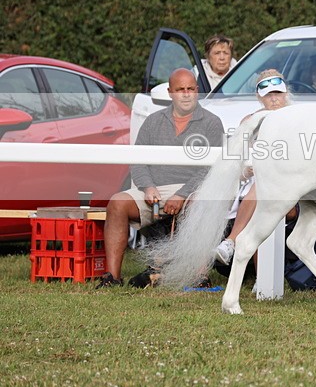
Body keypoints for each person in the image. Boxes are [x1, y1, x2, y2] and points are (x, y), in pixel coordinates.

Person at [96, 69, 224, 287]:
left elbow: (209, 169)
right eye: (180, 89)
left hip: (192, 189)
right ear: (170, 92)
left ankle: (200, 276)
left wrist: (182, 194)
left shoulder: (212, 122)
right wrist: (147, 187)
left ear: (197, 91)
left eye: (191, 89)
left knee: (199, 203)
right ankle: (112, 277)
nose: (186, 94)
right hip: (155, 189)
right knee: (117, 203)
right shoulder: (153, 121)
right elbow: (138, 160)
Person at [213, 69, 295, 265]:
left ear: (286, 93)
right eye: (269, 95)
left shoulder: (295, 118)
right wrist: (245, 170)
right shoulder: (249, 122)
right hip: (252, 185)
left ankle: (230, 241)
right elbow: (236, 161)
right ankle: (200, 273)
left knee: (260, 190)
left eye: (278, 94)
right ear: (260, 97)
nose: (274, 99)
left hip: (292, 185)